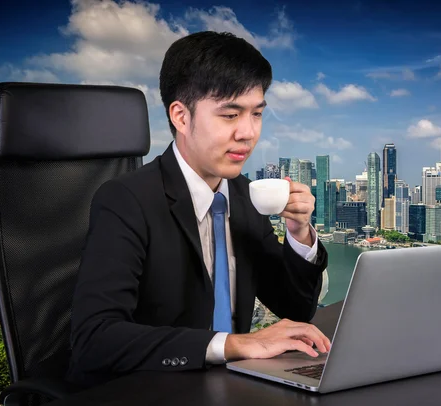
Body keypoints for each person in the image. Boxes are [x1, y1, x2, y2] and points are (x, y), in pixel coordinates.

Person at [66, 31, 331, 389]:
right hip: (151, 389)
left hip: (230, 388)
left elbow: (296, 311)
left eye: (256, 114)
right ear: (181, 116)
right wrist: (236, 344)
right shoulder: (125, 200)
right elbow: (94, 340)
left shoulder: (243, 194)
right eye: (230, 115)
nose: (248, 133)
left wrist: (300, 234)